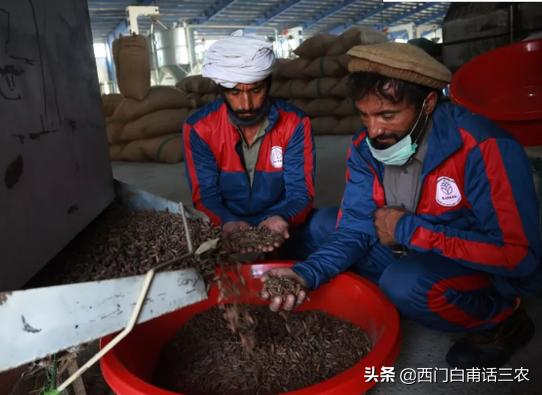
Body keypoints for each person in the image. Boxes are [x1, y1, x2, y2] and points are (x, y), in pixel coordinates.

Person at [260, 42, 541, 368]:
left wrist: (411, 230)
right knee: (324, 224)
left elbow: (518, 256)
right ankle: (400, 297)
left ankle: (503, 322)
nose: (374, 129)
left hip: (477, 265)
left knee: (404, 283)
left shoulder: (484, 146)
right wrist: (306, 274)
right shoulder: (364, 148)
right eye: (365, 115)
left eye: (388, 115)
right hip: (410, 247)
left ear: (428, 103)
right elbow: (353, 228)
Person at [183, 30, 327, 258]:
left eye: (256, 90)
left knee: (327, 225)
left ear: (268, 85)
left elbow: (301, 192)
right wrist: (227, 222)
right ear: (222, 91)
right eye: (234, 93)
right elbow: (206, 196)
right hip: (226, 221)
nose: (246, 104)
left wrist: (284, 218)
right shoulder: (200, 128)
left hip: (280, 219)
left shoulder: (294, 123)